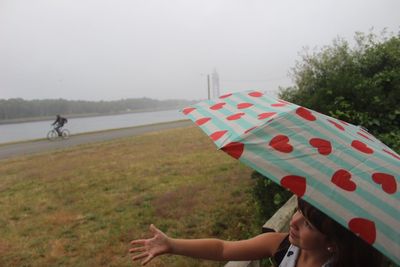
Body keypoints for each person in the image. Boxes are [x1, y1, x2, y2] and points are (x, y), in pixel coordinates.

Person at [129, 197, 383, 267]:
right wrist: (172, 245)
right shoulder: (282, 246)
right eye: (298, 211)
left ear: (333, 242)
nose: (293, 222)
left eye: (308, 224)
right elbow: (224, 248)